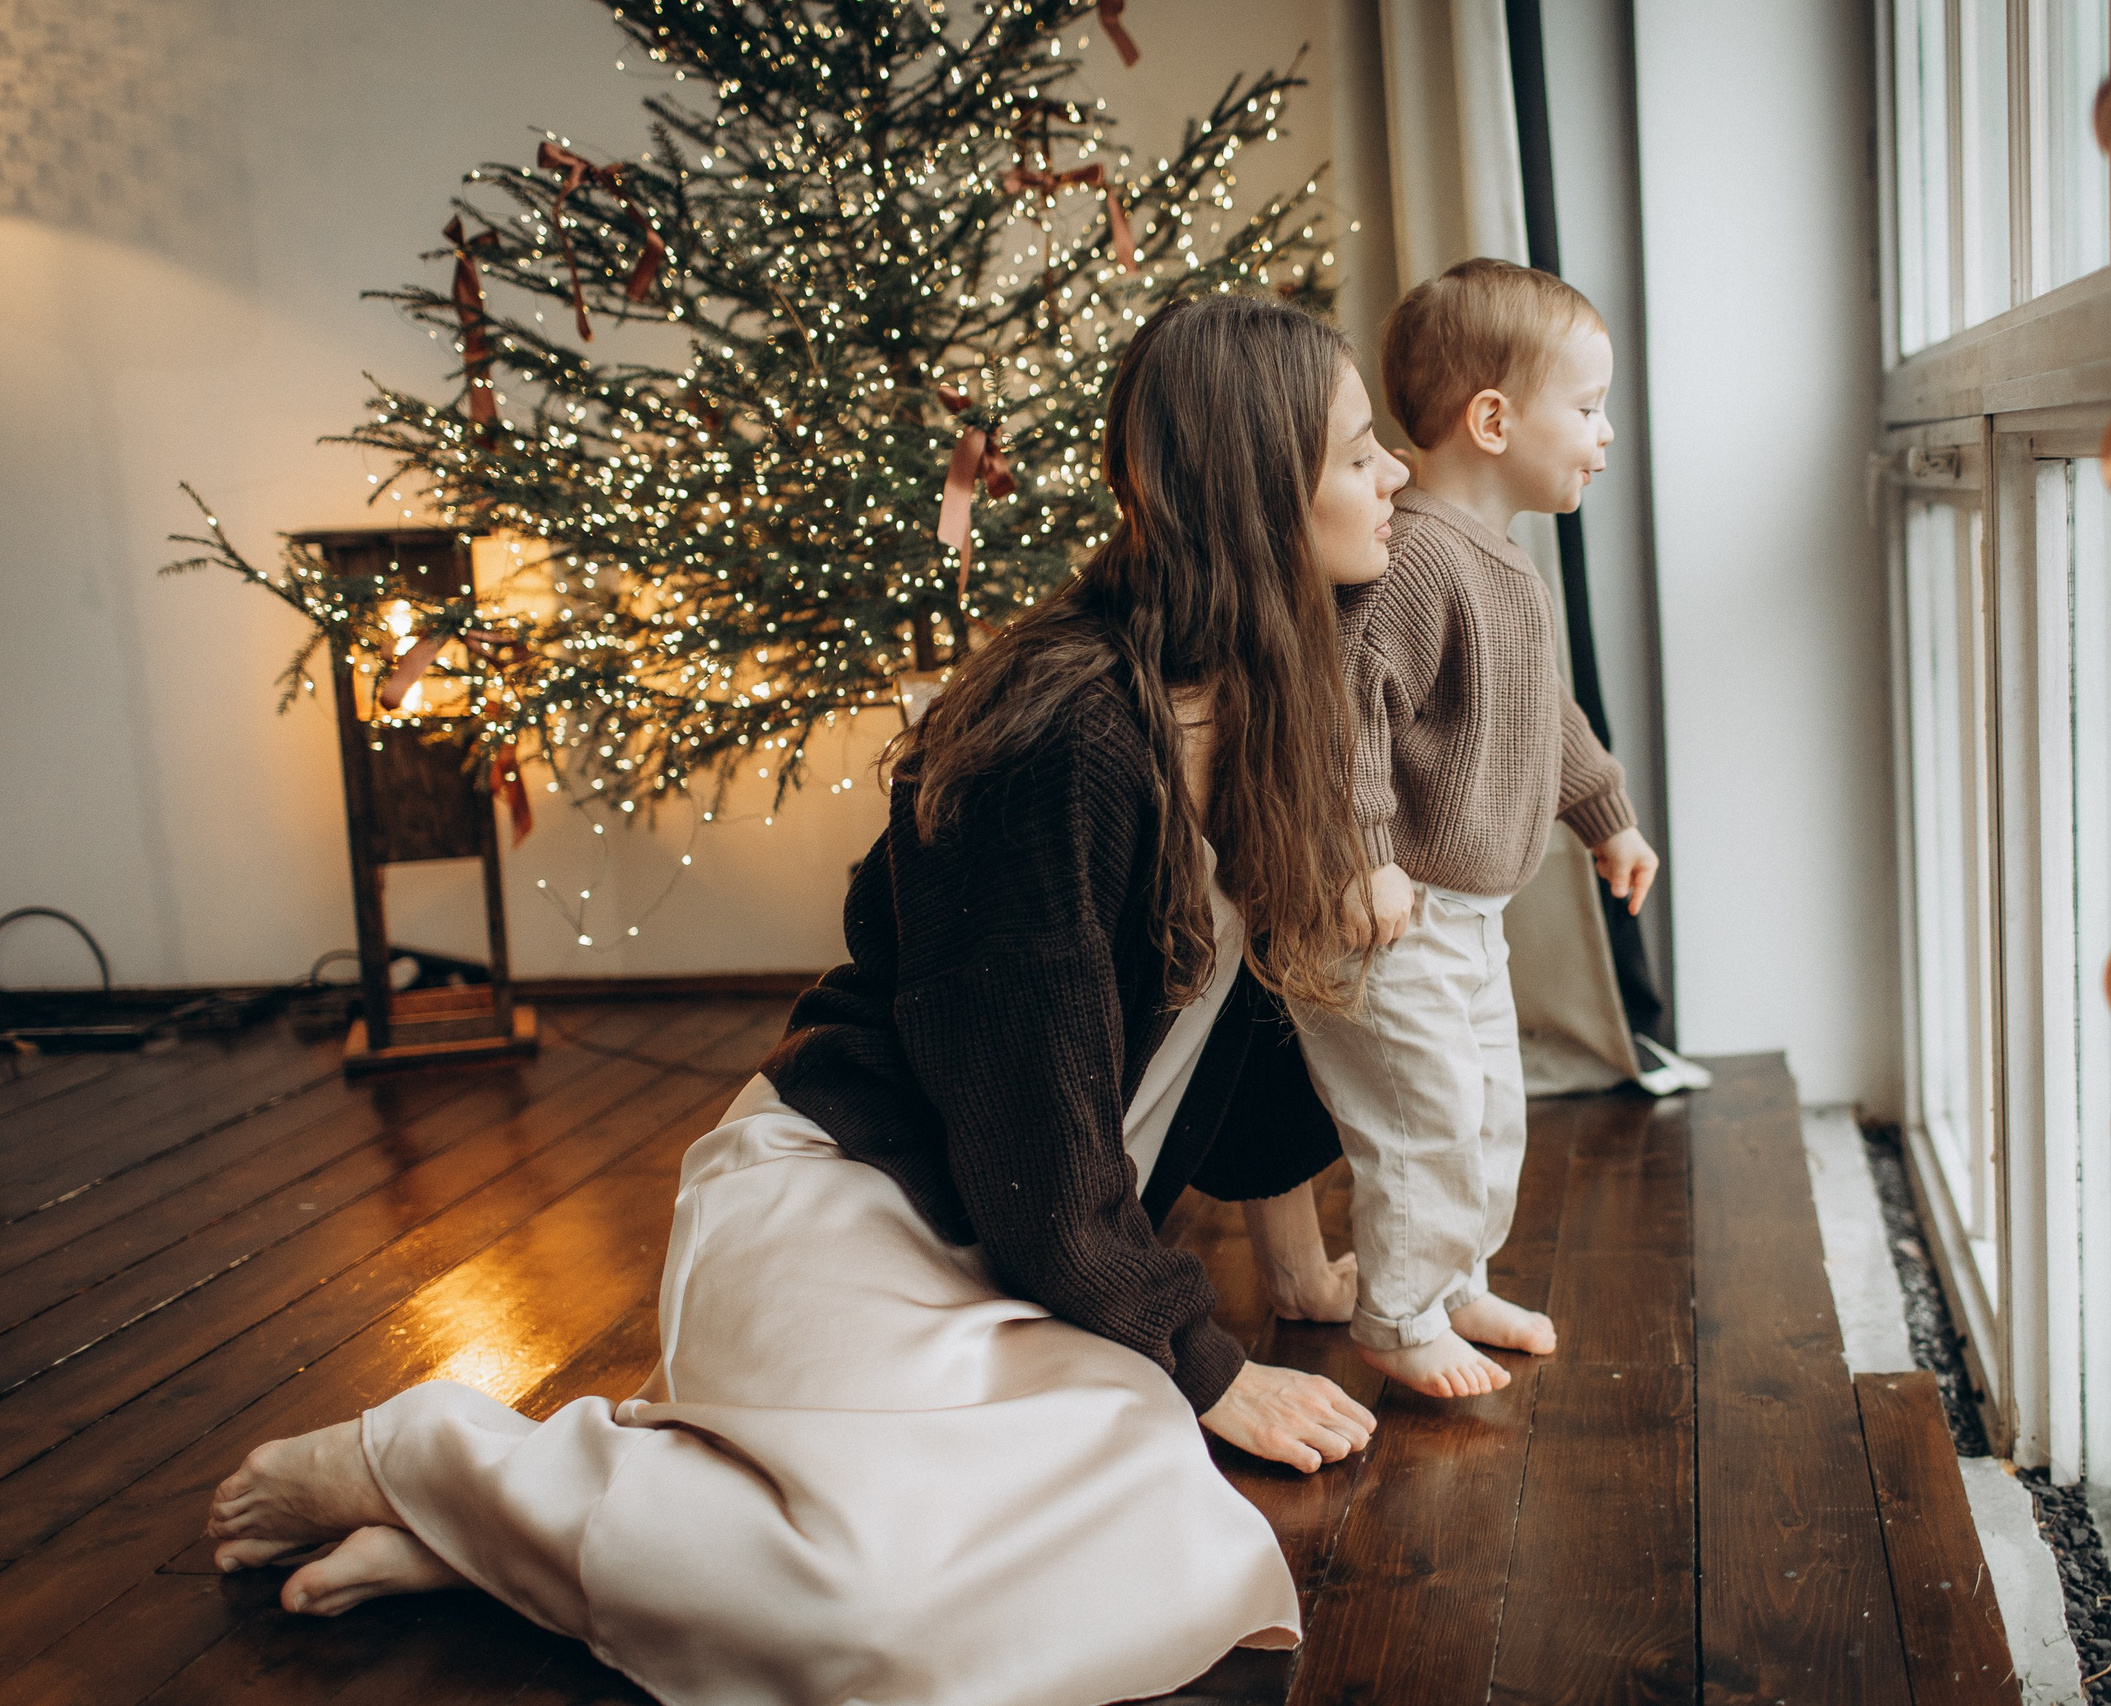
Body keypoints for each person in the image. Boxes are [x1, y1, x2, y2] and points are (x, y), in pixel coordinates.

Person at [202, 292, 1412, 1706]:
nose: (1390, 473)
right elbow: (1028, 1141)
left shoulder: (1280, 707)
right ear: (1257, 497)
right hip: (860, 1208)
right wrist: (1206, 1364)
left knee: (1152, 1519)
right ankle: (424, 1461)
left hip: (1021, 1242)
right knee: (880, 1610)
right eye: (1355, 452)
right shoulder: (1071, 737)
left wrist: (1342, 947)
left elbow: (1228, 1103)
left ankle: (498, 1539)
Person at [1291, 258, 1663, 1400]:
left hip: (1471, 913)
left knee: (1491, 1102)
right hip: (1393, 915)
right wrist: (1366, 853)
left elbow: (1542, 710)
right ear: (1493, 419)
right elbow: (1347, 701)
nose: (1604, 434)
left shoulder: (1499, 563)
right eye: (1589, 407)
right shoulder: (1411, 562)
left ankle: (1451, 1280)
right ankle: (1396, 1314)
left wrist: (1605, 812)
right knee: (1427, 1114)